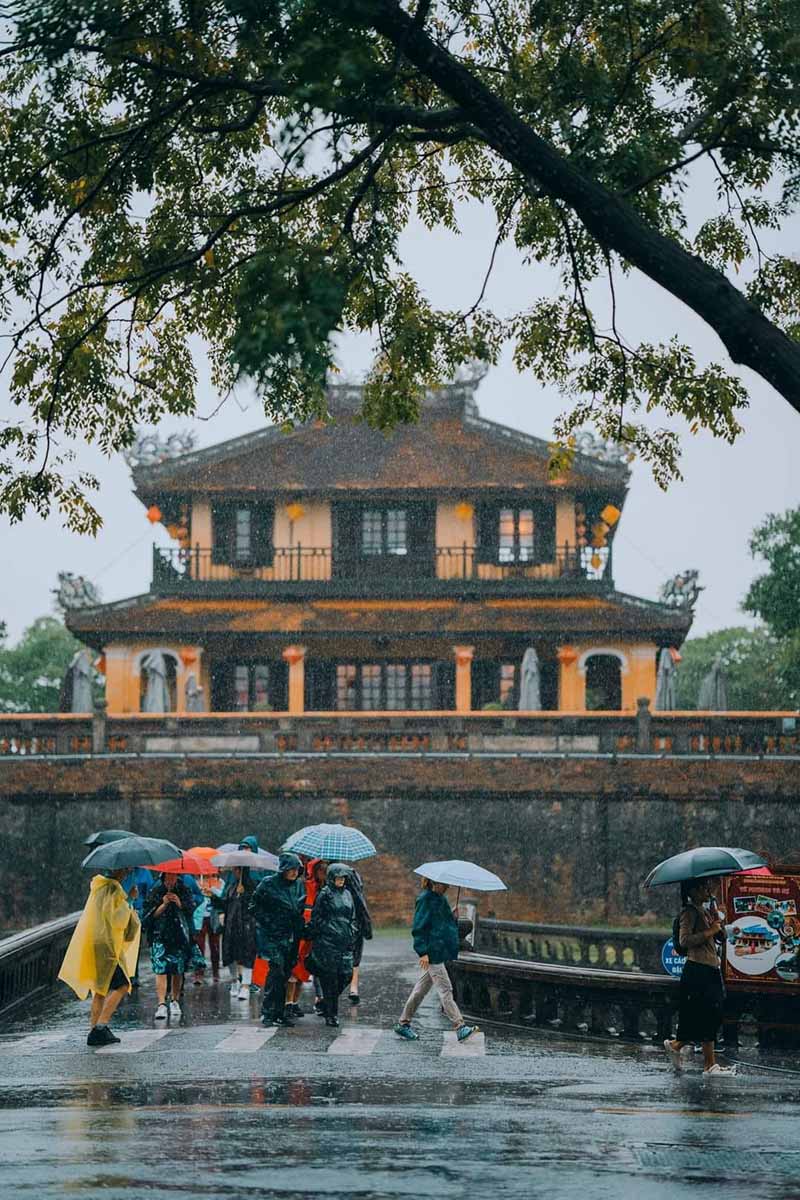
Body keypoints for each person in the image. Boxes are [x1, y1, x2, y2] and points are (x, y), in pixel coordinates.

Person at [59, 868, 141, 1047]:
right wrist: (130, 899)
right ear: (118, 870)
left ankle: (94, 1030)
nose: (127, 873)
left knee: (100, 989)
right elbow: (117, 918)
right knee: (123, 985)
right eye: (125, 869)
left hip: (95, 942)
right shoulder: (112, 888)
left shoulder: (99, 887)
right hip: (107, 946)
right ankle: (100, 1027)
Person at [394, 878, 479, 1043]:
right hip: (433, 953)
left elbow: (442, 926)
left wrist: (453, 917)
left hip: (440, 951)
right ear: (434, 883)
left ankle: (403, 1023)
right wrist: (423, 952)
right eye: (444, 884)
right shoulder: (425, 899)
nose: (447, 886)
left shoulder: (441, 899)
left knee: (420, 990)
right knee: (445, 989)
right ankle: (460, 1026)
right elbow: (419, 928)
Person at [664, 877, 735, 1075]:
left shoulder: (705, 911)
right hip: (698, 970)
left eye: (707, 886)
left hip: (710, 968)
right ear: (693, 891)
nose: (708, 889)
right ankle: (705, 1063)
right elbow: (684, 940)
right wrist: (709, 931)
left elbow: (721, 937)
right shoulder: (689, 912)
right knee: (705, 1015)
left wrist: (717, 921)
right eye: (703, 887)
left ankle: (683, 1049)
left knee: (711, 1015)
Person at [249, 852, 305, 1027]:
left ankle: (280, 1013)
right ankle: (268, 1012)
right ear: (283, 869)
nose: (294, 873)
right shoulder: (268, 884)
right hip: (274, 935)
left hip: (292, 935)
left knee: (286, 974)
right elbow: (253, 906)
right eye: (291, 869)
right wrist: (269, 922)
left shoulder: (298, 886)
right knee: (276, 972)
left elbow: (299, 905)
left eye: (297, 869)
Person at [306, 863, 357, 1028]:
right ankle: (331, 1015)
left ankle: (326, 1003)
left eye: (343, 877)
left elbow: (353, 916)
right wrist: (324, 932)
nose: (341, 880)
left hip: (345, 941)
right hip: (327, 943)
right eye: (338, 877)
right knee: (330, 979)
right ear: (331, 877)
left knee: (346, 974)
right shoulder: (325, 894)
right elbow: (316, 917)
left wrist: (352, 931)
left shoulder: (348, 893)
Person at [141, 872, 197, 1021]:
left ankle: (174, 1000)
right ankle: (161, 1004)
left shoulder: (184, 889)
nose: (171, 880)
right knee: (160, 970)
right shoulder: (156, 890)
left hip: (179, 936)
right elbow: (149, 915)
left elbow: (190, 909)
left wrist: (179, 903)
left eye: (174, 877)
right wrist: (164, 904)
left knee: (177, 969)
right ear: (164, 877)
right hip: (160, 935)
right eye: (168, 877)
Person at [287, 858, 328, 1017]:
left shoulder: (325, 888)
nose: (322, 874)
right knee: (295, 968)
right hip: (304, 927)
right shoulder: (306, 885)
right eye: (321, 870)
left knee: (304, 969)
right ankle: (289, 1002)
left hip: (315, 929)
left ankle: (294, 1002)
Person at [220, 865, 257, 1000]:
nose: (235, 872)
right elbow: (224, 903)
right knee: (230, 955)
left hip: (246, 926)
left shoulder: (252, 886)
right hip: (231, 925)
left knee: (246, 955)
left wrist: (245, 895)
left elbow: (255, 905)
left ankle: (245, 985)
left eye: (238, 869)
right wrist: (212, 896)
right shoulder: (232, 886)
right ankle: (235, 980)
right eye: (235, 869)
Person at [346, 867, 373, 1005]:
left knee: (354, 959)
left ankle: (353, 987)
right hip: (353, 926)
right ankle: (353, 988)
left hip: (352, 926)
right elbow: (362, 909)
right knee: (354, 959)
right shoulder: (355, 888)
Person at [121, 866, 152, 987]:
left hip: (137, 912)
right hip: (122, 911)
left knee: (134, 944)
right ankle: (123, 974)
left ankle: (133, 975)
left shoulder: (144, 872)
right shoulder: (121, 872)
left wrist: (143, 909)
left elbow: (149, 892)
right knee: (121, 945)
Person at [193, 874, 223, 984]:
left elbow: (223, 896)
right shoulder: (197, 881)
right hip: (200, 918)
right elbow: (193, 897)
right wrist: (200, 893)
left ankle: (216, 972)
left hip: (214, 917)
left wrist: (212, 891)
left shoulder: (220, 882)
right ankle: (198, 973)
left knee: (215, 945)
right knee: (199, 946)